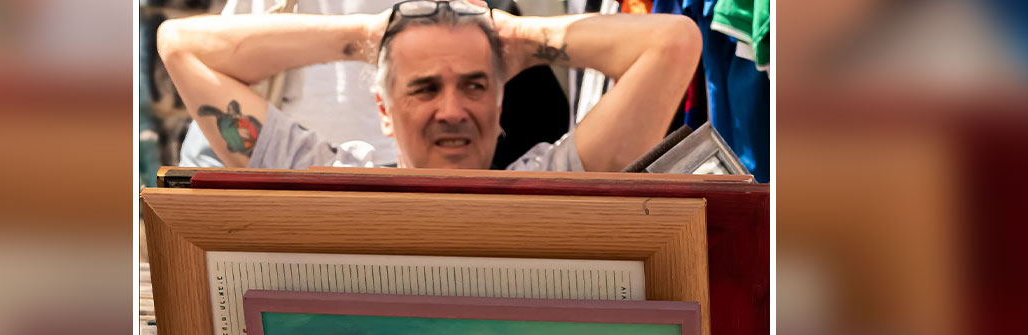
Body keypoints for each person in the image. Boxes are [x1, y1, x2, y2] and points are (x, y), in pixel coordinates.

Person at [157, 0, 702, 172]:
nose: (452, 110)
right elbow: (180, 44)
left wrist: (513, 36)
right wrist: (370, 35)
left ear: (500, 99)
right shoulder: (334, 184)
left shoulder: (550, 185)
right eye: (423, 88)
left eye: (473, 86)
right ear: (384, 111)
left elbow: (674, 42)